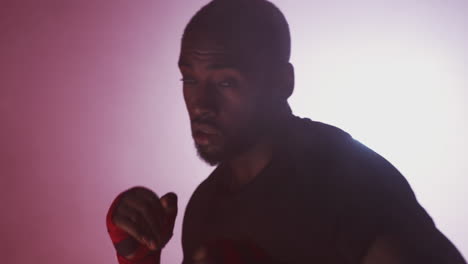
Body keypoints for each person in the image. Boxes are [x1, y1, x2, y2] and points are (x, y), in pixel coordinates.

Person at [105, 0, 467, 263]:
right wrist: (138, 257)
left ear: (282, 81)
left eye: (226, 82)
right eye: (190, 79)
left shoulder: (343, 181)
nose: (200, 104)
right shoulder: (205, 206)